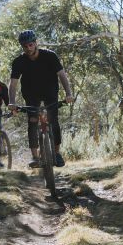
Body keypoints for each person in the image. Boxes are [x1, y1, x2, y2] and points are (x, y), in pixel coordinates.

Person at [8, 30, 74, 168]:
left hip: (50, 90)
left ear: (35, 43)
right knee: (32, 121)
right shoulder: (18, 62)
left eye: (30, 44)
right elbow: (13, 83)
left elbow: (62, 75)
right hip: (31, 93)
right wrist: (12, 102)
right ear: (22, 47)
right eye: (25, 46)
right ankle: (35, 157)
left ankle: (56, 154)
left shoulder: (50, 56)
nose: (28, 48)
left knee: (53, 120)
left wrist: (68, 94)